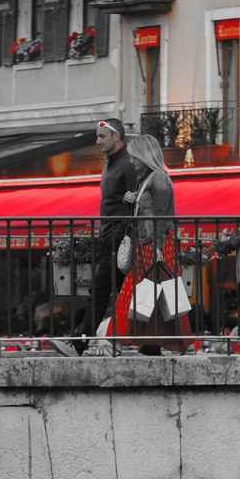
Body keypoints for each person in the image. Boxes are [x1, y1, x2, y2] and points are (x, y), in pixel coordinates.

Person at [112, 133, 190, 353]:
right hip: (147, 244)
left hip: (155, 245)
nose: (132, 162)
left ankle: (147, 341)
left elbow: (162, 216)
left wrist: (157, 248)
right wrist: (132, 199)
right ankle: (151, 342)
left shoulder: (158, 178)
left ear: (145, 156)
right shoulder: (149, 179)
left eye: (135, 157)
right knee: (153, 293)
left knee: (149, 291)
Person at [86, 118, 139, 343]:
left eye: (102, 137)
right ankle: (149, 343)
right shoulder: (109, 162)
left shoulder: (127, 163)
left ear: (116, 136)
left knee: (101, 289)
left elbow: (137, 199)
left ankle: (80, 340)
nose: (97, 141)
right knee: (121, 290)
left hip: (119, 235)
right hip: (109, 235)